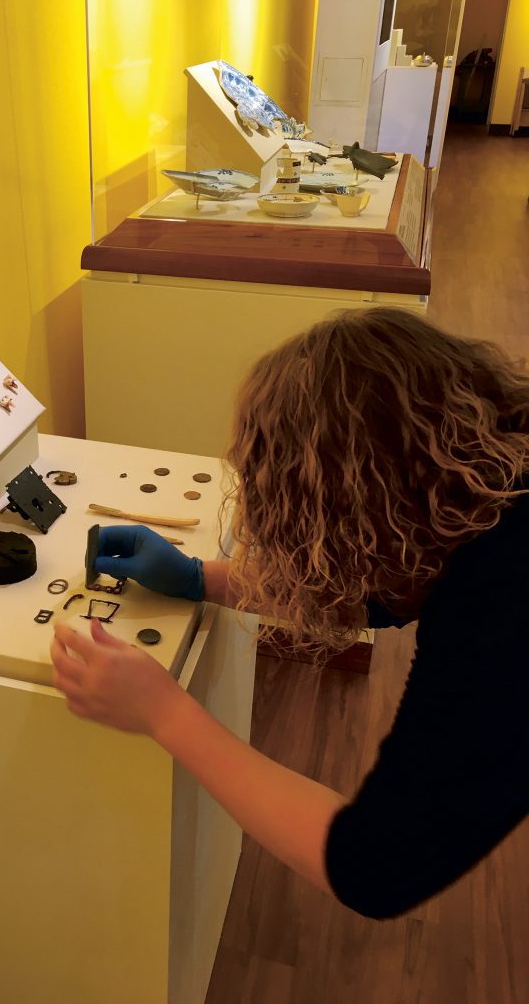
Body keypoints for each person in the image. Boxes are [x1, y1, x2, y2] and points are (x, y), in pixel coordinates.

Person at [50, 307, 529, 921]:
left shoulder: (501, 604)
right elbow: (379, 588)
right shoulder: (483, 492)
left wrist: (164, 711)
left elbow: (378, 866)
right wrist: (199, 578)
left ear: (356, 510)